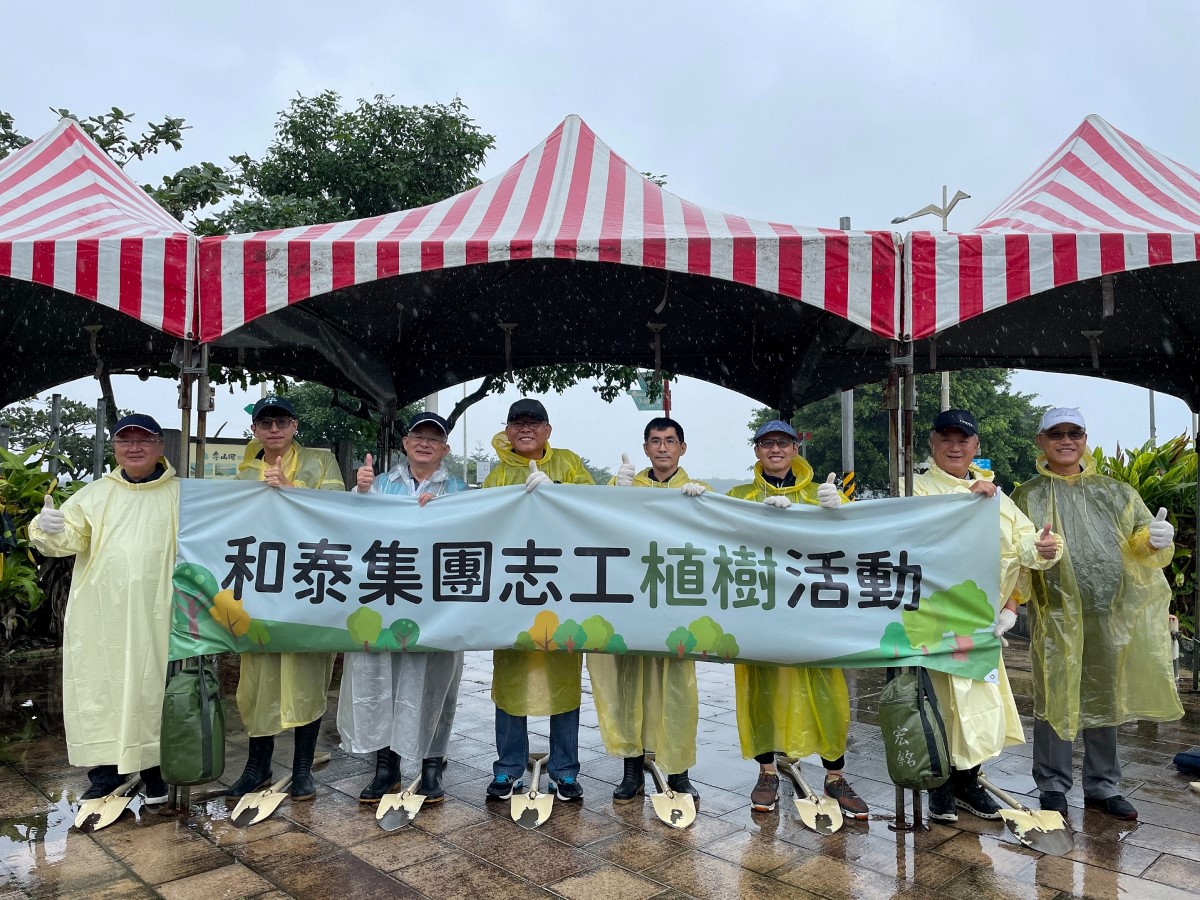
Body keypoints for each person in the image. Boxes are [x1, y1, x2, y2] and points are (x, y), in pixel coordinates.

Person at [1013, 408, 1183, 821]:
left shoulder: (1115, 492)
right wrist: (1015, 595)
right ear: (1041, 441)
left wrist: (1155, 539)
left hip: (1108, 615)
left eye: (1074, 433)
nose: (1066, 441)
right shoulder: (1026, 497)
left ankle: (1103, 785)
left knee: (1104, 697)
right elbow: (1012, 552)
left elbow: (1139, 539)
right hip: (1055, 618)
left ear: (1085, 439)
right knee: (1054, 698)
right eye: (1056, 433)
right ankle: (1052, 785)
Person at [912, 409, 1062, 823]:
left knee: (977, 707)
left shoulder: (998, 498)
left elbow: (1026, 545)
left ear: (976, 446)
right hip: (930, 621)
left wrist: (1046, 550)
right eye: (946, 438)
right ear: (932, 442)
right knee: (936, 706)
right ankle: (939, 786)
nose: (954, 447)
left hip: (979, 623)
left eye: (963, 440)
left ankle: (968, 782)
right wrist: (964, 501)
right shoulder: (915, 487)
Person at [30, 414, 178, 805]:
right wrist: (50, 528)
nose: (134, 447)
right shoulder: (94, 495)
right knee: (102, 690)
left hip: (158, 611)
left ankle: (156, 772)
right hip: (101, 614)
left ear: (160, 446)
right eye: (125, 440)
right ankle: (105, 775)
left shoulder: (182, 495)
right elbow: (66, 540)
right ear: (114, 448)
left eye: (144, 440)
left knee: (154, 691)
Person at [725, 420, 868, 817]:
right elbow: (717, 536)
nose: (775, 449)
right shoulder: (739, 497)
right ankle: (767, 772)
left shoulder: (819, 493)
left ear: (795, 448)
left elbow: (855, 540)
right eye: (767, 443)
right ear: (757, 450)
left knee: (827, 694)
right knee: (761, 691)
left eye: (783, 443)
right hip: (760, 610)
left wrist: (838, 510)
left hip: (811, 612)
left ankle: (835, 774)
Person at [337, 412, 468, 804]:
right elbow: (353, 529)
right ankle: (386, 767)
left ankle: (432, 764)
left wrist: (445, 513)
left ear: (445, 449)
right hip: (387, 596)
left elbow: (472, 538)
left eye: (434, 438)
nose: (425, 443)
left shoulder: (459, 490)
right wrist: (360, 495)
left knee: (438, 683)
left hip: (438, 603)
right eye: (418, 436)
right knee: (382, 679)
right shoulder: (379, 484)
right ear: (406, 443)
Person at [227, 397, 346, 802]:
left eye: (281, 421)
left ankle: (301, 768)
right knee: (258, 680)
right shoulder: (244, 471)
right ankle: (256, 766)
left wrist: (291, 491)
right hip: (262, 586)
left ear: (295, 426)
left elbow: (339, 513)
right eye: (266, 423)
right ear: (255, 430)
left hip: (310, 582)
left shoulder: (321, 462)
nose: (274, 429)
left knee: (307, 676)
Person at [589, 417, 708, 803]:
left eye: (670, 441)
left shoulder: (697, 492)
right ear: (645, 448)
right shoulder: (626, 486)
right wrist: (615, 492)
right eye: (655, 441)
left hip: (677, 602)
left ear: (682, 448)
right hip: (634, 601)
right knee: (630, 686)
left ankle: (679, 772)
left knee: (678, 689)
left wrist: (703, 506)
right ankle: (631, 769)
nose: (662, 448)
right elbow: (593, 520)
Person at [481, 398, 594, 802]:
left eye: (534, 423)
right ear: (507, 430)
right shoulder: (497, 474)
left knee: (563, 678)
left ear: (548, 430)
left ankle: (564, 770)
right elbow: (481, 523)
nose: (525, 429)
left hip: (560, 587)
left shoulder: (568, 462)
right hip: (513, 588)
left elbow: (592, 506)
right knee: (511, 678)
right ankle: (509, 767)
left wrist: (557, 491)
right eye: (518, 423)